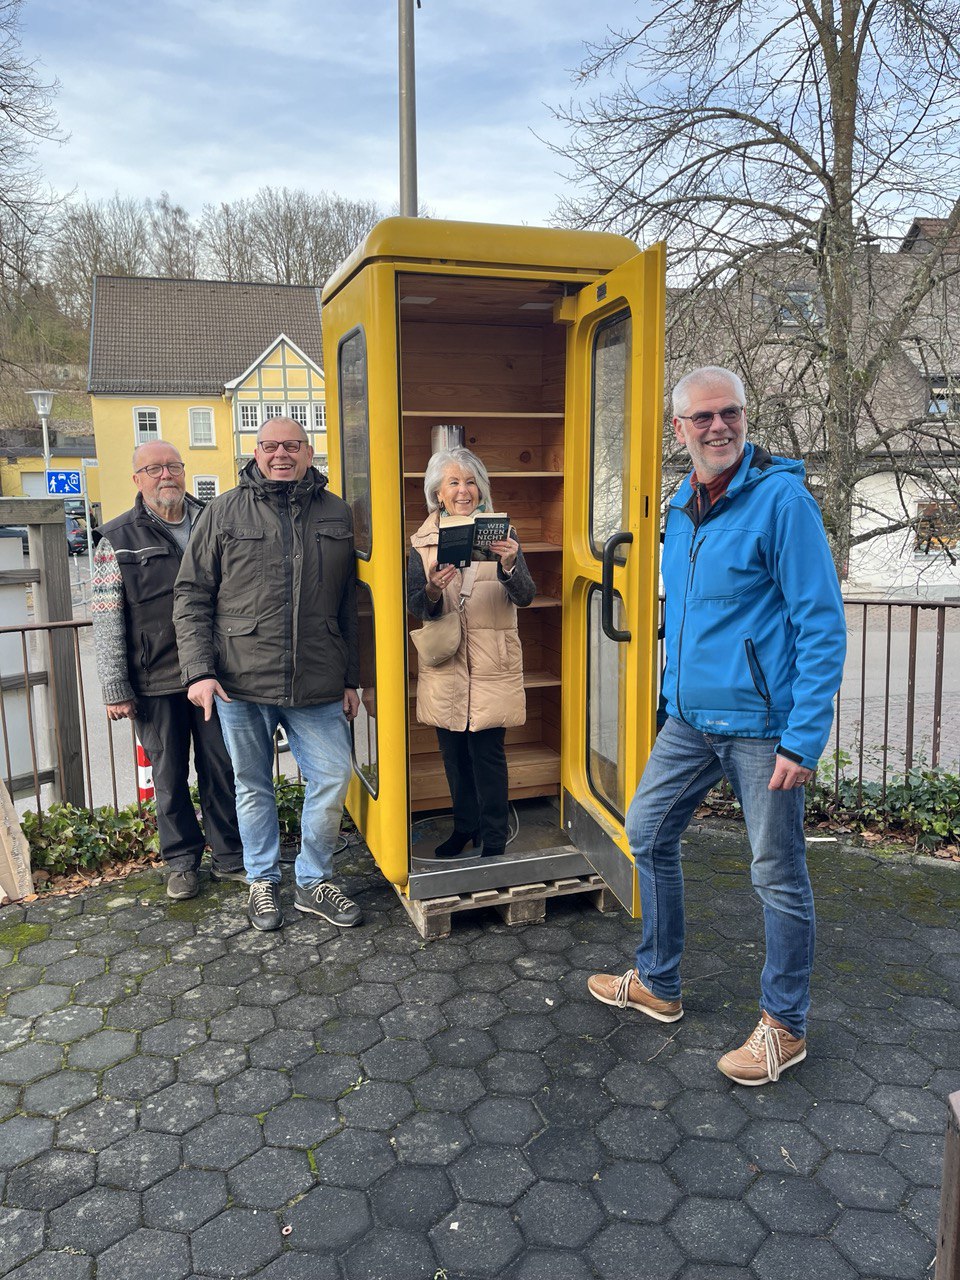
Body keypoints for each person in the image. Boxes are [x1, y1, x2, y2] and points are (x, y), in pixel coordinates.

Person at [588, 366, 847, 1086]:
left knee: (777, 874)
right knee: (646, 832)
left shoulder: (783, 503)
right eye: (701, 418)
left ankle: (785, 1026)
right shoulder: (680, 506)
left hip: (764, 726)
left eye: (728, 413)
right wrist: (671, 698)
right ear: (680, 429)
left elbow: (821, 624)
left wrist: (804, 737)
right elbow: (694, 615)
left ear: (744, 416)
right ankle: (659, 983)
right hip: (691, 720)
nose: (717, 427)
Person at [172, 417, 362, 934]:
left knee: (332, 776)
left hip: (318, 679)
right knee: (253, 785)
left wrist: (353, 678)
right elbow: (191, 595)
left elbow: (351, 602)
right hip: (240, 683)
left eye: (292, 446)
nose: (281, 454)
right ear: (255, 451)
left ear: (308, 452)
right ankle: (261, 878)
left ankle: (312, 879)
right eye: (270, 445)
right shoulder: (223, 511)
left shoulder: (337, 512)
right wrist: (199, 671)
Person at [92, 442, 245, 901]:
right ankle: (181, 861)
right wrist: (115, 686)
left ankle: (230, 855)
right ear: (137, 479)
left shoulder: (213, 520)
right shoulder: (116, 538)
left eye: (173, 467)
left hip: (218, 675)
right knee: (169, 774)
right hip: (154, 679)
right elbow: (105, 617)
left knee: (223, 767)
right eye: (154, 468)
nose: (166, 476)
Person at [407, 446, 536, 859]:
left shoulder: (504, 534)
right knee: (454, 756)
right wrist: (431, 588)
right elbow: (416, 606)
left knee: (488, 755)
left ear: (481, 489)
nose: (463, 490)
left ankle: (493, 839)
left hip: (491, 661)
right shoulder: (422, 543)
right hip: (446, 663)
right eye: (453, 482)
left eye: (470, 482)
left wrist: (511, 566)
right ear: (438, 493)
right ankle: (464, 828)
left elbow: (526, 597)